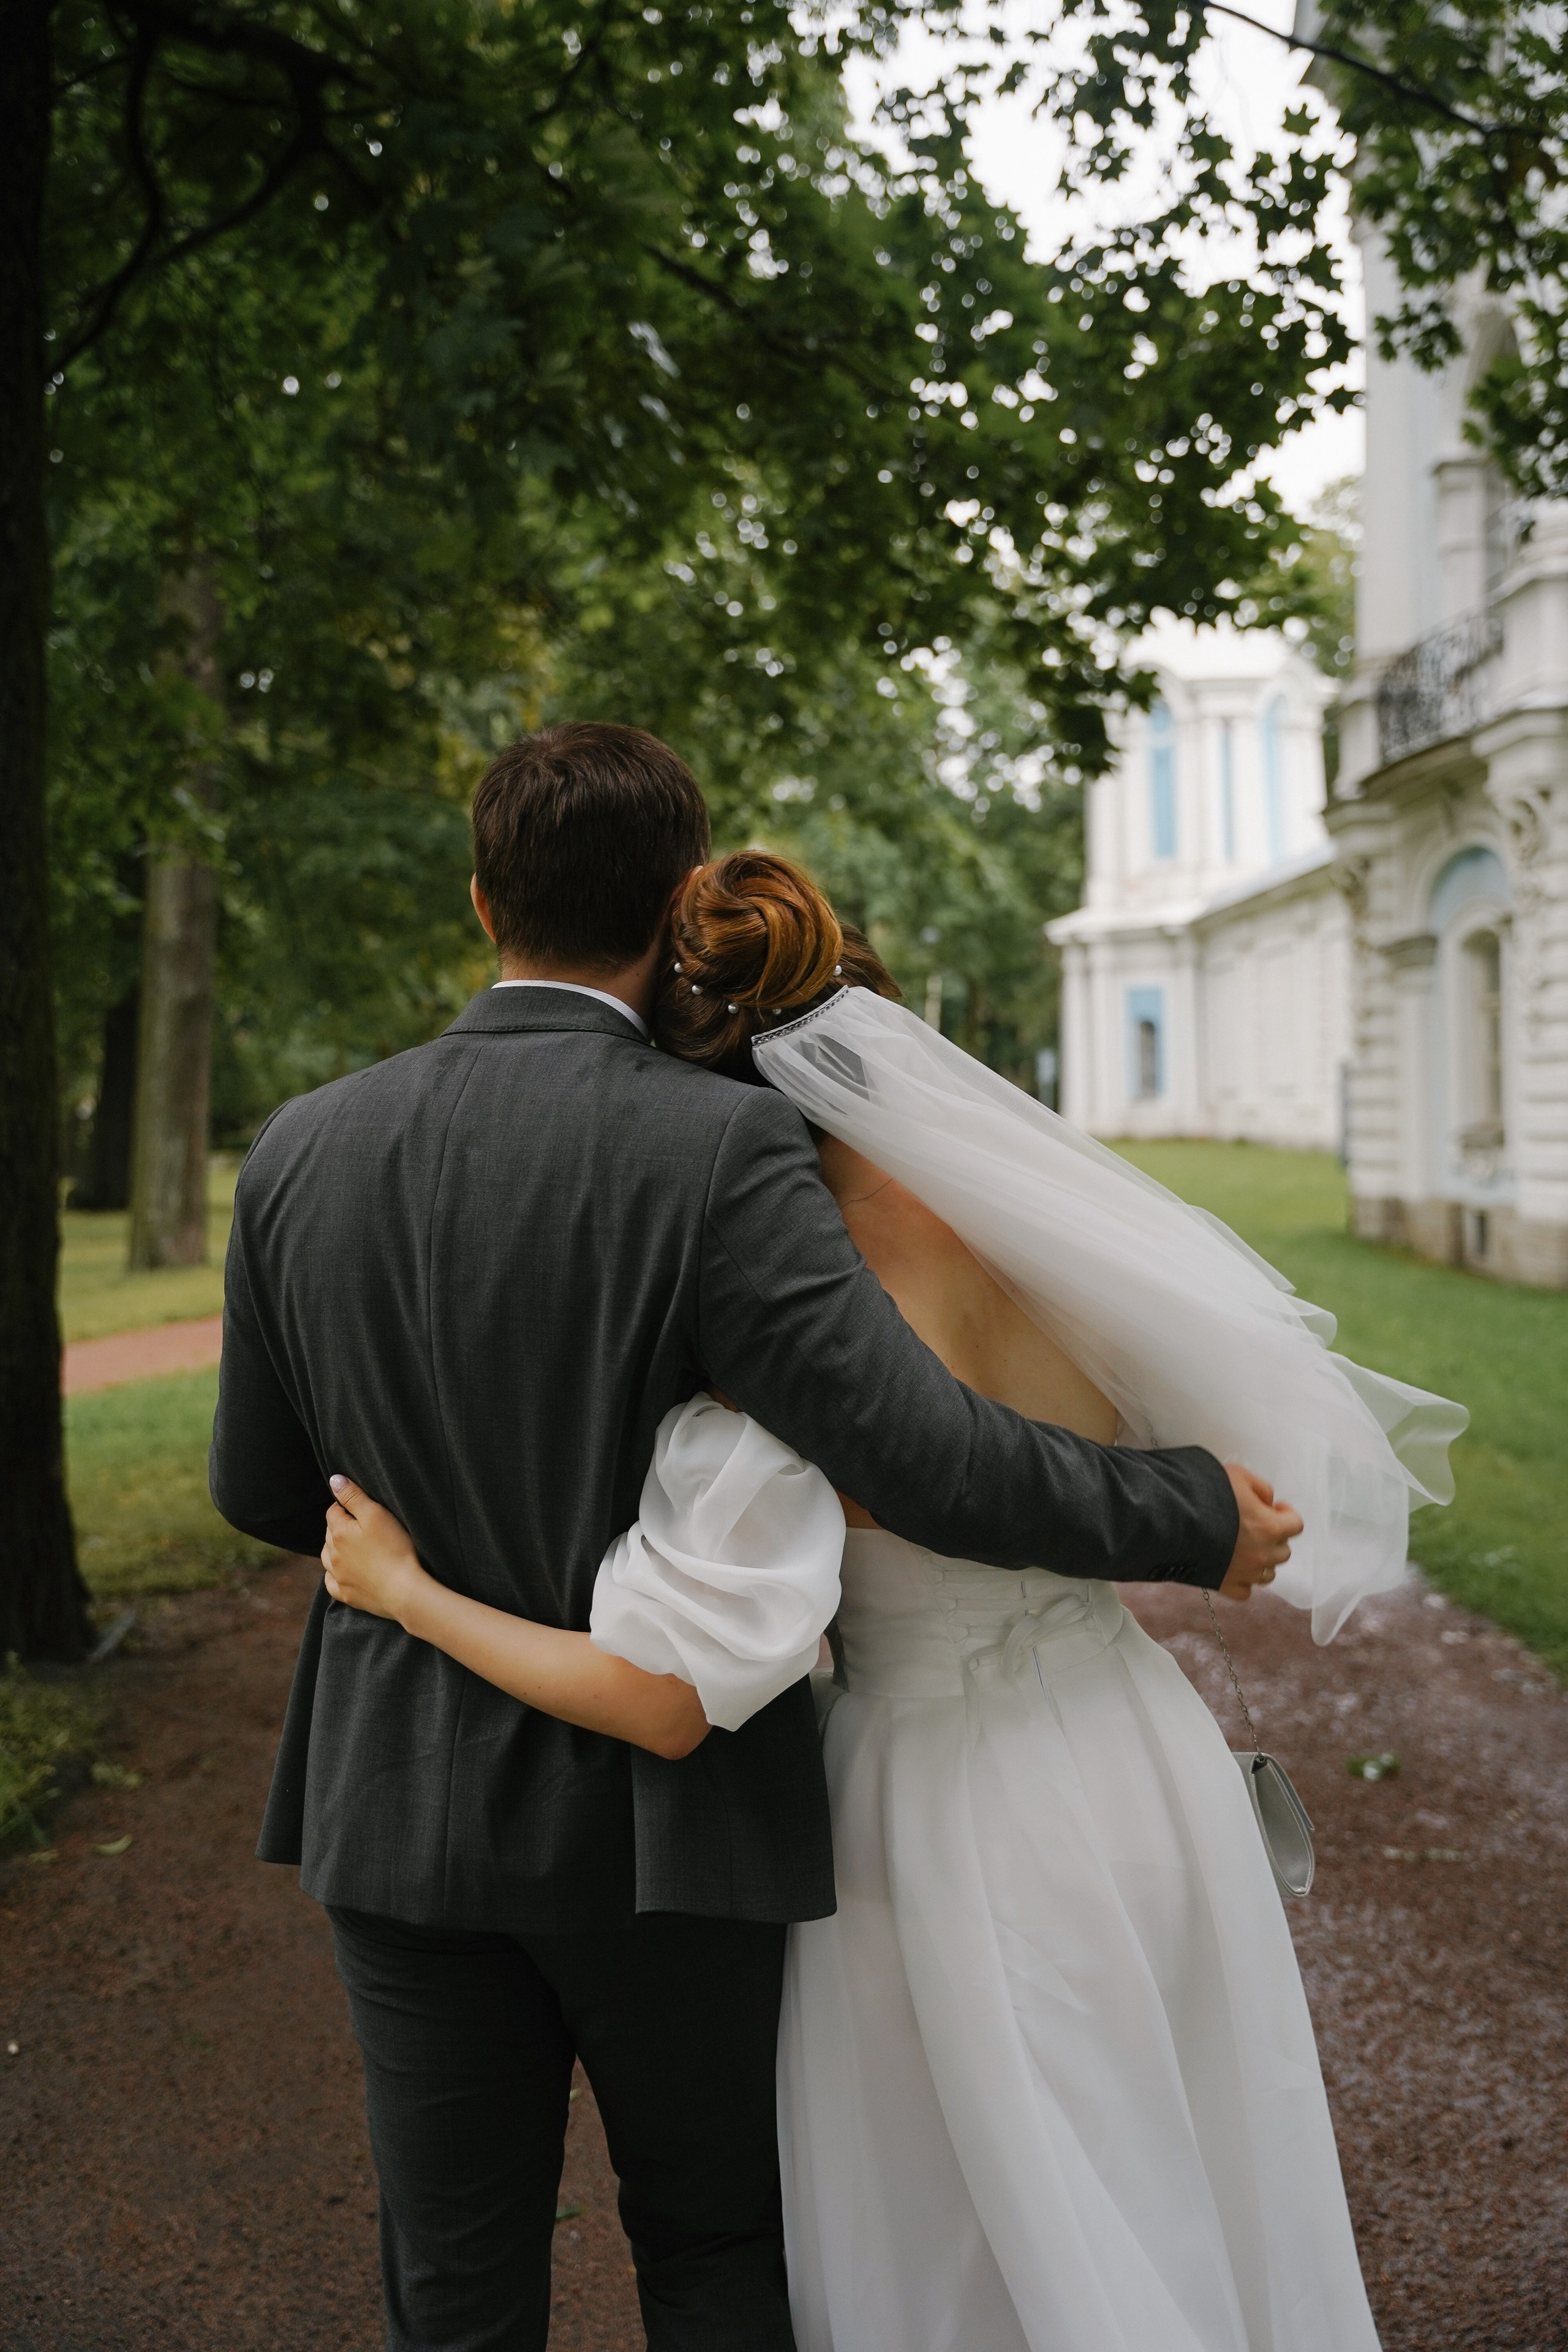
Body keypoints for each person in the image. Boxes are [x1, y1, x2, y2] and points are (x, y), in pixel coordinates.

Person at [211, 730, 1298, 2352]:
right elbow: (918, 1452)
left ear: (480, 897)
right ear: (674, 902)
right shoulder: (720, 1145)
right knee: (715, 2248)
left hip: (403, 1806)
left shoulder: (297, 1150)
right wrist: (1191, 1508)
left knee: (455, 2276)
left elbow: (256, 1488)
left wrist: (425, 1556)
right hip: (667, 1831)